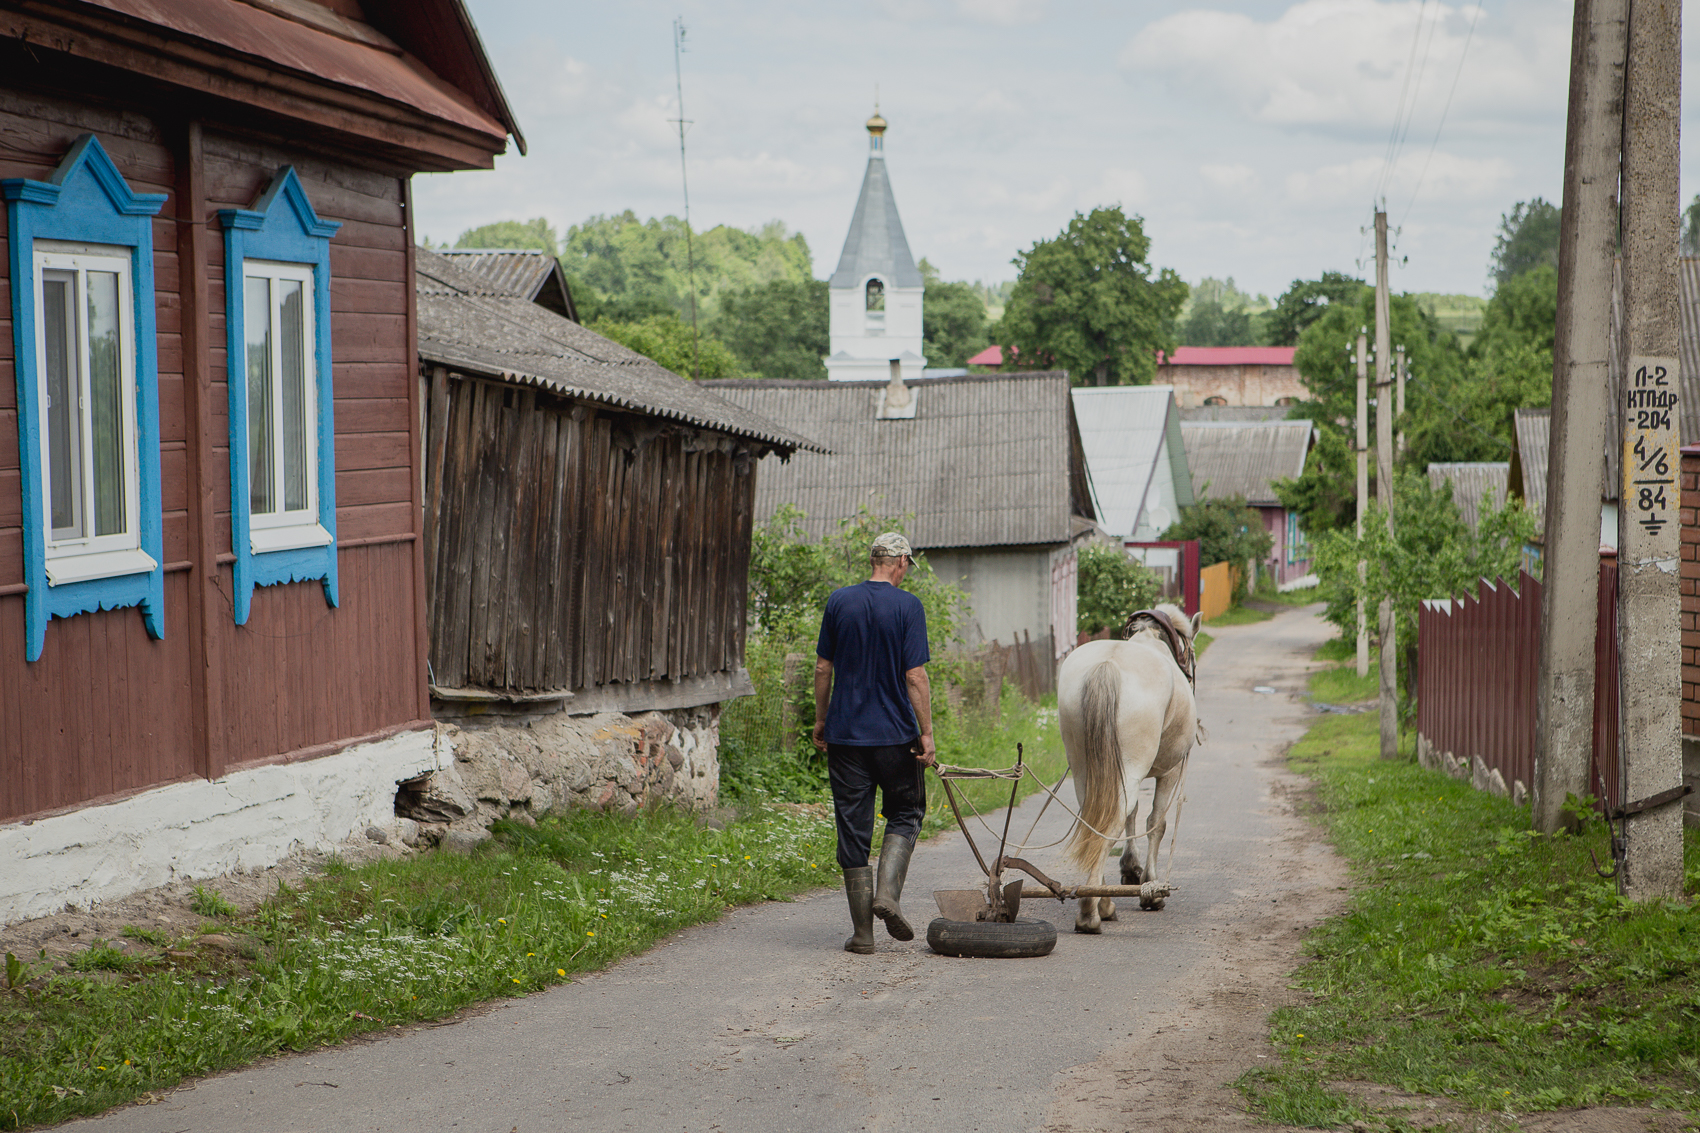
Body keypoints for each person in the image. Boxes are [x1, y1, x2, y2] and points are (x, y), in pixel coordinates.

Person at [812, 532, 936, 954]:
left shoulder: (838, 601)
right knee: (905, 813)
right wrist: (927, 734)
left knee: (853, 828)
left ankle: (863, 935)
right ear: (901, 561)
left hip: (845, 736)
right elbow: (915, 676)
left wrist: (822, 719)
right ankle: (888, 894)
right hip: (896, 737)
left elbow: (823, 666)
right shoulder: (907, 606)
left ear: (873, 560)